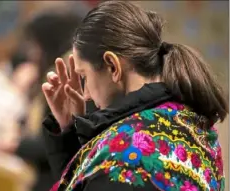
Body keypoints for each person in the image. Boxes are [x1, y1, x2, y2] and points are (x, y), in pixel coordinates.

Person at [41, 1, 228, 191]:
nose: (86, 95)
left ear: (113, 66)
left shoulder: (121, 161)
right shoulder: (193, 123)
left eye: (84, 77)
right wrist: (68, 132)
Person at [0, 6, 95, 191]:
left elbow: (66, 140)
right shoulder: (55, 68)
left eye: (35, 45)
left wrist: (18, 146)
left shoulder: (70, 73)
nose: (32, 53)